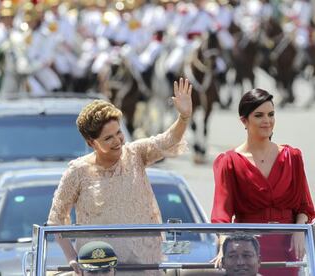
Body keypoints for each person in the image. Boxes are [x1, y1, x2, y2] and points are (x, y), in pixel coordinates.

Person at [47, 78, 193, 275]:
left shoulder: (136, 153)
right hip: (98, 269)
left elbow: (168, 141)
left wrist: (183, 117)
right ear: (91, 143)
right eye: (108, 138)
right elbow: (56, 221)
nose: (117, 141)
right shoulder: (77, 171)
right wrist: (72, 257)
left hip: (143, 267)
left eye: (119, 133)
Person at [211, 88, 315, 276]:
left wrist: (300, 231)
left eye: (271, 114)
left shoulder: (292, 156)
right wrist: (224, 247)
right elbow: (222, 212)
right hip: (248, 250)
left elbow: (305, 206)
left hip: (288, 245)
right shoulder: (229, 161)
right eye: (259, 115)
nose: (267, 121)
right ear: (244, 120)